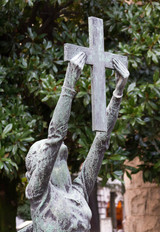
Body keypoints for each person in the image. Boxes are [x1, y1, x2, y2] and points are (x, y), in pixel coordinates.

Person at [22, 52, 129, 232]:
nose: (58, 159)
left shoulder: (78, 191)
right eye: (52, 157)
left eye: (60, 157)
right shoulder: (39, 193)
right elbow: (55, 138)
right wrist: (69, 85)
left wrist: (118, 94)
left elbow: (101, 142)